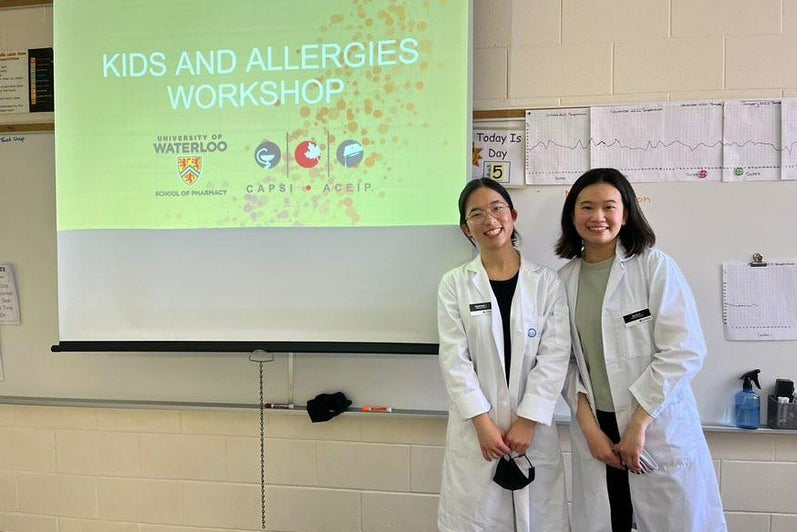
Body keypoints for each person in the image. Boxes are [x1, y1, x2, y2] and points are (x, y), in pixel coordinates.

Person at [555, 168, 727, 532]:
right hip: (597, 431)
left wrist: (637, 425)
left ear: (626, 213)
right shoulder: (563, 281)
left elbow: (683, 350)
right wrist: (590, 429)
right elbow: (565, 363)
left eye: (608, 207)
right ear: (572, 215)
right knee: (609, 521)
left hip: (654, 425)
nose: (597, 217)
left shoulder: (654, 267)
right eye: (586, 207)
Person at [437, 178, 571, 532]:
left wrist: (529, 420)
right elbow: (455, 360)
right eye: (476, 214)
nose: (488, 219)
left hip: (533, 430)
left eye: (496, 208)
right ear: (466, 228)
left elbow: (555, 355)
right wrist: (482, 424)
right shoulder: (455, 284)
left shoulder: (546, 283)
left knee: (538, 520)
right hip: (478, 432)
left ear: (512, 214)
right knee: (478, 521)